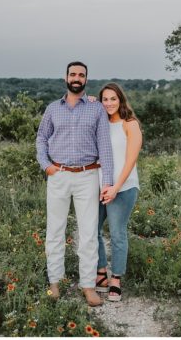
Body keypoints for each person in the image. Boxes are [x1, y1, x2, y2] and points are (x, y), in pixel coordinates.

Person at [35, 61, 114, 307]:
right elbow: (41, 138)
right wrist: (45, 165)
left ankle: (88, 286)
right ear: (66, 77)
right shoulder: (52, 109)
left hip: (87, 176)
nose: (76, 77)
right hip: (58, 175)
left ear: (86, 80)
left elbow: (105, 147)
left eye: (81, 74)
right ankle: (54, 282)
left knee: (89, 233)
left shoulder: (96, 109)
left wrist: (108, 182)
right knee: (55, 230)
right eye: (73, 74)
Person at [94, 82, 142, 302]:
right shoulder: (100, 123)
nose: (109, 103)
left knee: (116, 233)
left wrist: (115, 187)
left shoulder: (129, 124)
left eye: (113, 99)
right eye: (105, 99)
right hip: (99, 186)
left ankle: (116, 280)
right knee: (92, 230)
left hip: (123, 187)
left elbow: (130, 160)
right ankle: (101, 273)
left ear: (121, 100)